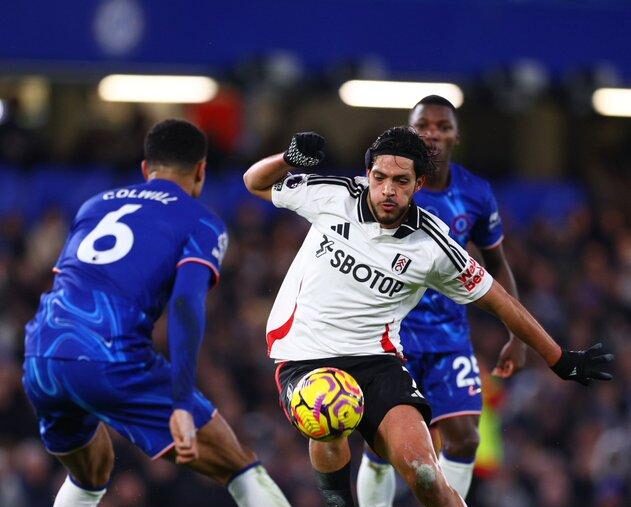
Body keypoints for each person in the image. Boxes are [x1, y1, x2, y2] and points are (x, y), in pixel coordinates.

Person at [242, 127, 613, 507]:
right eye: (380, 178)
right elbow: (254, 182)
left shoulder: (432, 246)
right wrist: (289, 159)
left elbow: (500, 302)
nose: (388, 190)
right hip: (306, 356)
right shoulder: (334, 195)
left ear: (418, 183)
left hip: (376, 362)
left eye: (401, 181)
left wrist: (559, 358)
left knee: (425, 473)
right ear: (367, 175)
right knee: (330, 411)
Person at [22, 119, 291, 507]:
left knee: (90, 473)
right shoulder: (201, 220)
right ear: (201, 171)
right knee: (239, 467)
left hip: (42, 355)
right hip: (111, 356)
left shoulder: (93, 206)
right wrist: (181, 403)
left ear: (145, 170)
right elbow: (185, 305)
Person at [356, 94, 523, 505]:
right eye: (423, 125)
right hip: (391, 336)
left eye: (442, 126)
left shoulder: (476, 194)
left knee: (465, 439)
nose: (432, 133)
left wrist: (517, 334)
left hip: (449, 334)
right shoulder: (386, 187)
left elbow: (496, 264)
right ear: (409, 131)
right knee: (381, 443)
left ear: (456, 135)